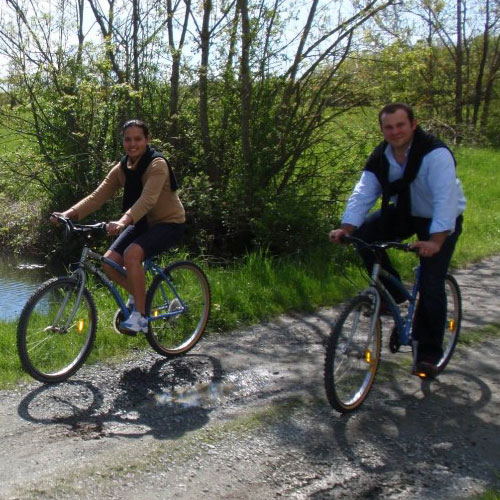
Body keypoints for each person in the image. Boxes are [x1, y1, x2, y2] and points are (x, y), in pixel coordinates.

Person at [329, 103, 466, 378]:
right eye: (388, 127)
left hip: (439, 220)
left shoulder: (435, 154)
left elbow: (445, 200)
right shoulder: (382, 156)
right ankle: (392, 296)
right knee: (363, 235)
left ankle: (428, 353)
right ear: (382, 129)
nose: (395, 132)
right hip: (403, 213)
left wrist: (436, 241)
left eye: (400, 125)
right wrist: (346, 227)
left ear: (413, 125)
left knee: (430, 282)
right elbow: (363, 192)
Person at [51, 119, 186, 334]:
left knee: (132, 255)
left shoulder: (157, 164)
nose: (133, 144)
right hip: (142, 223)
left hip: (168, 223)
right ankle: (139, 297)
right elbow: (97, 197)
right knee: (109, 263)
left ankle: (141, 317)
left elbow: (148, 200)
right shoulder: (123, 168)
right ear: (123, 141)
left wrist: (123, 221)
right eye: (127, 139)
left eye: (138, 139)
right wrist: (67, 215)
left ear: (147, 140)